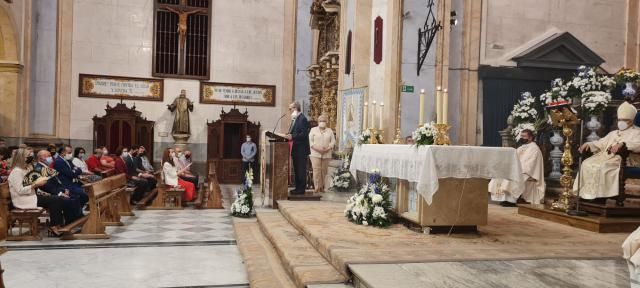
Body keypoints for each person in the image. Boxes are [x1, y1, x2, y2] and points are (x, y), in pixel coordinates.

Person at [576, 101, 640, 200]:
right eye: (619, 120)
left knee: (604, 167)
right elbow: (601, 143)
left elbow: (637, 145)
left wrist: (623, 144)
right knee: (586, 163)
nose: (620, 122)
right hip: (605, 157)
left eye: (624, 120)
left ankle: (600, 196)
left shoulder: (637, 132)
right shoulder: (614, 133)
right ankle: (586, 195)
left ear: (631, 121)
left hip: (622, 160)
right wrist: (589, 144)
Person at [8, 147, 66, 236]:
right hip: (23, 200)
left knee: (56, 199)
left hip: (31, 196)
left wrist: (38, 184)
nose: (31, 157)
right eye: (28, 156)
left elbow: (31, 183)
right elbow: (20, 190)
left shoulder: (26, 169)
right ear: (21, 157)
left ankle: (57, 224)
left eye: (30, 155)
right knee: (55, 200)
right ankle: (54, 226)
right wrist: (36, 185)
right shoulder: (16, 172)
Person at [489, 129, 545, 207]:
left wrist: (516, 169)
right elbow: (513, 158)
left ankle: (511, 200)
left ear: (530, 138)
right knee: (500, 174)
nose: (522, 138)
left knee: (512, 177)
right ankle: (504, 198)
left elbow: (530, 165)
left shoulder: (534, 149)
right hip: (518, 169)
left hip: (528, 172)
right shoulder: (521, 147)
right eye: (521, 136)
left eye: (524, 136)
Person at [33, 149, 83, 224]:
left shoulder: (46, 166)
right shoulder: (39, 168)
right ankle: (70, 222)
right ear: (41, 158)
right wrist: (59, 193)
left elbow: (57, 181)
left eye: (50, 156)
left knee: (76, 196)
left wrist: (64, 189)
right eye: (48, 156)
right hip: (49, 193)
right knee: (69, 200)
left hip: (57, 189)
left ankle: (75, 220)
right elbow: (45, 186)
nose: (51, 158)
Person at [285, 101, 310, 194]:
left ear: (295, 108)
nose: (290, 111)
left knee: (301, 169)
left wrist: (293, 136)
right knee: (296, 169)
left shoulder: (302, 118)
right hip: (296, 148)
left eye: (290, 109)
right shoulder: (296, 118)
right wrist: (289, 134)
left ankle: (301, 189)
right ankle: (297, 188)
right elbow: (295, 132)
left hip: (301, 149)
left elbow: (304, 134)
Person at [309, 115, 335, 193]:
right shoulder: (313, 130)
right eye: (321, 121)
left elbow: (333, 141)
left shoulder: (329, 130)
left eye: (324, 121)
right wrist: (318, 149)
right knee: (316, 171)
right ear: (318, 122)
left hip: (326, 154)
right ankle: (317, 187)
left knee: (324, 171)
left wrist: (328, 148)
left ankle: (323, 187)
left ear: (326, 122)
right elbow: (311, 142)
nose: (322, 122)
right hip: (315, 154)